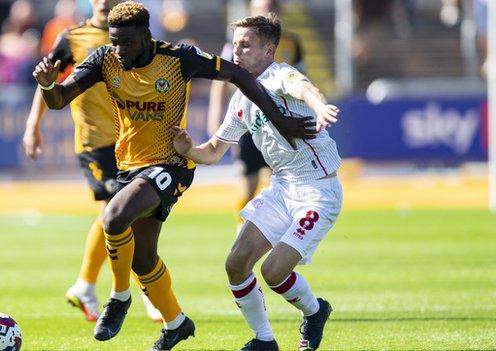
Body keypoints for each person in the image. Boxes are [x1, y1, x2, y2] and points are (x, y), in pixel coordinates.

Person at [32, 1, 315, 349]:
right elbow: (60, 99)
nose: (119, 50)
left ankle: (119, 298)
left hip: (172, 165)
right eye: (114, 41)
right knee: (142, 258)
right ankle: (176, 324)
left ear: (146, 37)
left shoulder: (179, 58)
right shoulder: (103, 58)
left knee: (114, 216)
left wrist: (280, 119)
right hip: (130, 165)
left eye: (126, 43)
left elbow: (238, 74)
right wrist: (47, 86)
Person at [172, 13, 341, 351]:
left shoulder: (280, 75)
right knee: (235, 263)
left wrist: (320, 109)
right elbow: (213, 152)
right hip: (281, 189)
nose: (237, 52)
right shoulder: (241, 98)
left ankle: (315, 310)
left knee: (274, 271)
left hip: (317, 191)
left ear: (269, 51)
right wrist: (188, 148)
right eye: (235, 45)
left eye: (246, 45)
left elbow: (307, 89)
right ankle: (264, 341)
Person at [23, 0, 160, 323]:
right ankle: (141, 291)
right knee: (119, 212)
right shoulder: (72, 38)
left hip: (132, 138)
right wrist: (33, 125)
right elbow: (47, 82)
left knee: (126, 214)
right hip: (96, 141)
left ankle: (86, 285)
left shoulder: (134, 36)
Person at [207, 0, 306, 231]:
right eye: (260, 7)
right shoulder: (237, 45)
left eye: (270, 6)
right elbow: (220, 83)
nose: (265, 11)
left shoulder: (291, 42)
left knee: (286, 184)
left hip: (282, 124)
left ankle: (284, 238)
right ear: (251, 11)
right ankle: (242, 234)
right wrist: (216, 119)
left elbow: (302, 79)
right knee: (247, 187)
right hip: (250, 122)